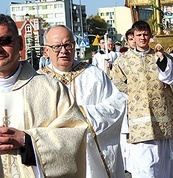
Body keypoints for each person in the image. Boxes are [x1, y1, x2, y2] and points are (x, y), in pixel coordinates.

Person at [0, 14, 87, 177]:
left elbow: (75, 136)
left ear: (20, 43)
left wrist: (28, 141)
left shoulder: (51, 90)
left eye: (4, 41)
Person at [39, 25, 127, 178]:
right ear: (46, 51)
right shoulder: (38, 82)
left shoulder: (94, 75)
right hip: (54, 155)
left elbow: (116, 104)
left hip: (89, 154)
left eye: (68, 45)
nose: (63, 51)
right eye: (57, 47)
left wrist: (82, 115)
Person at [110, 20, 173, 178]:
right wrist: (132, 92)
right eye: (139, 35)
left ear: (150, 36)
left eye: (145, 34)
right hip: (139, 117)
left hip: (162, 114)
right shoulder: (123, 60)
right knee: (145, 164)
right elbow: (115, 82)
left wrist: (162, 61)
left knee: (164, 162)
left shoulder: (161, 56)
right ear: (133, 37)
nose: (142, 38)